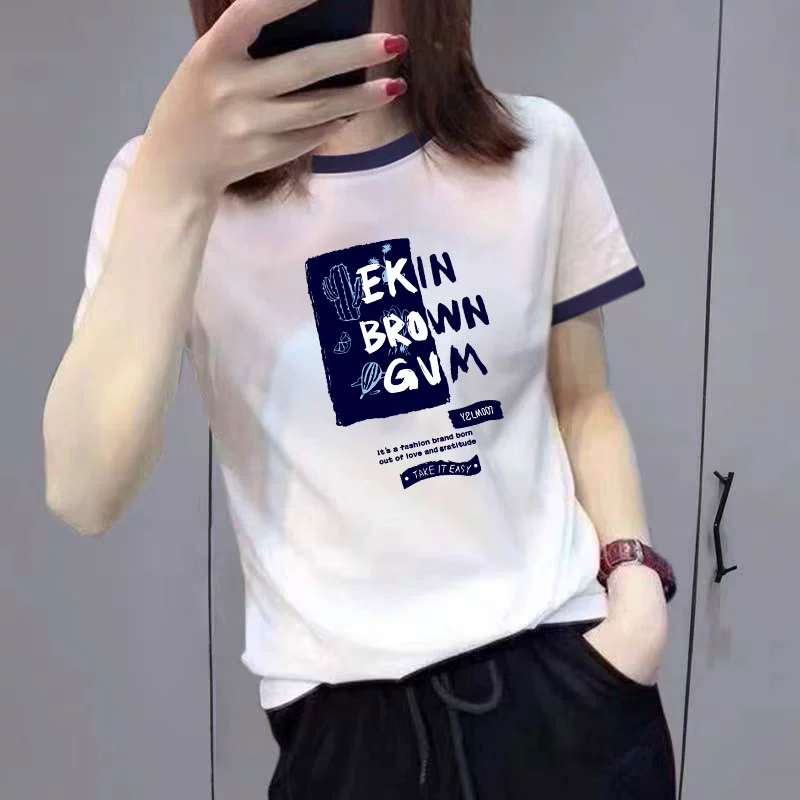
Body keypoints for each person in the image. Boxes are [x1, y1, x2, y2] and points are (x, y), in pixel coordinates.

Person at [43, 0, 678, 796]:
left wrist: (635, 597)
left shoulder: (540, 147)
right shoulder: (159, 184)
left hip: (570, 681)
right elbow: (82, 492)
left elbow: (584, 402)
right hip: (345, 727)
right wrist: (176, 181)